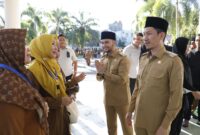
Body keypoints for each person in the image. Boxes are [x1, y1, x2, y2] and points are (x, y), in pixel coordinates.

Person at [126, 16, 184, 135]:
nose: (144, 38)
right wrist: (130, 110)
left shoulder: (173, 61)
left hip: (157, 123)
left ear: (161, 35)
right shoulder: (143, 58)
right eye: (144, 34)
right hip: (139, 119)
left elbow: (176, 97)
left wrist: (165, 125)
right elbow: (137, 87)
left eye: (149, 34)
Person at [27, 34, 85, 135]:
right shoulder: (33, 70)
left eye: (56, 44)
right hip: (47, 120)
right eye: (52, 44)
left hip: (61, 116)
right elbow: (32, 99)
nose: (56, 47)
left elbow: (60, 87)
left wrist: (74, 82)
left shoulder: (54, 65)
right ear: (42, 46)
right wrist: (59, 101)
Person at [0, 29, 48, 135]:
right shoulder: (6, 85)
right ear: (9, 49)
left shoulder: (17, 75)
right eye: (22, 44)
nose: (28, 49)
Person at [95, 31, 133, 135]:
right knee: (111, 129)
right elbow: (99, 78)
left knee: (127, 129)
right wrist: (99, 72)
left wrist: (104, 72)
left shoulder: (123, 59)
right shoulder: (104, 58)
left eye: (106, 42)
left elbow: (122, 79)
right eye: (102, 43)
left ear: (114, 42)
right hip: (108, 99)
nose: (104, 45)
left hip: (122, 100)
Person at [170, 37, 194, 135]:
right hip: (175, 99)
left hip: (181, 98)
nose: (189, 47)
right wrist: (192, 91)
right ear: (182, 46)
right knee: (173, 126)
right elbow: (177, 83)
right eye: (187, 45)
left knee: (177, 126)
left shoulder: (182, 58)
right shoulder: (176, 60)